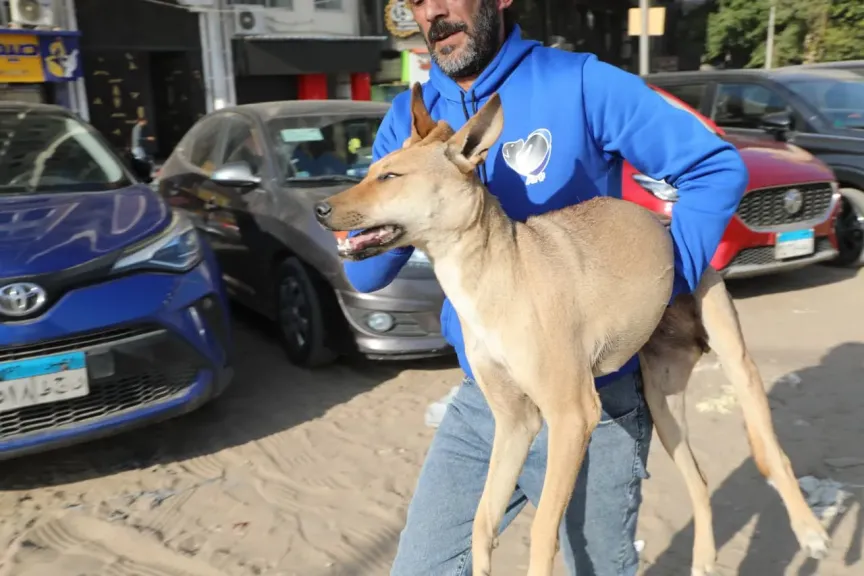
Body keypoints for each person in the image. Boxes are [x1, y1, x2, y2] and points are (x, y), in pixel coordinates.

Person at [344, 0, 749, 574]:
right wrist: (386, 222)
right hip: (486, 396)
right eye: (417, 0)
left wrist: (667, 281)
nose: (432, 12)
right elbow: (365, 272)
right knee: (422, 566)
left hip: (593, 402)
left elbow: (714, 169)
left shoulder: (579, 81)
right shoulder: (413, 116)